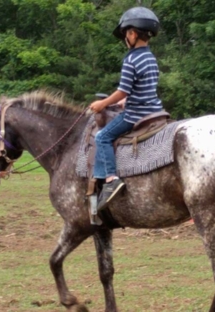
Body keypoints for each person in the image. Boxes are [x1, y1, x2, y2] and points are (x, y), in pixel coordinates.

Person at [89, 6, 163, 211]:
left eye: (126, 34)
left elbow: (122, 91)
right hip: (155, 110)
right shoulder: (150, 57)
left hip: (136, 114)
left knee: (102, 137)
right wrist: (123, 101)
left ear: (133, 33)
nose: (125, 39)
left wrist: (102, 104)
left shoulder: (131, 59)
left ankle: (111, 179)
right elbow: (144, 87)